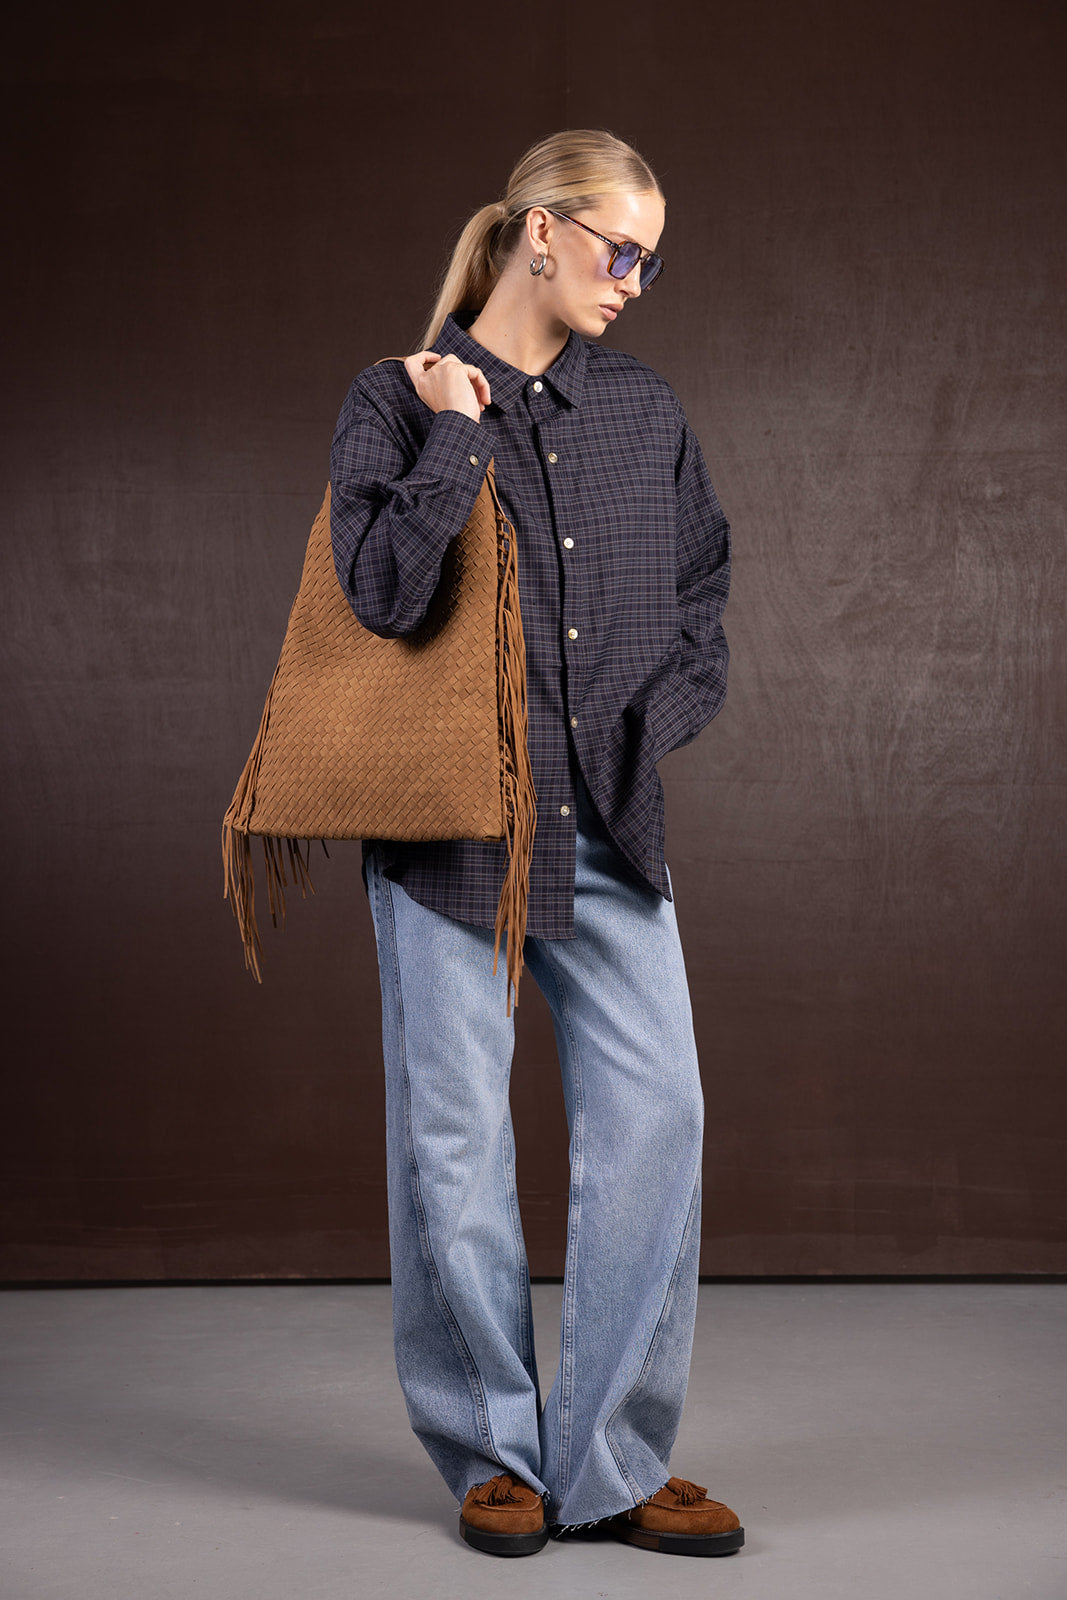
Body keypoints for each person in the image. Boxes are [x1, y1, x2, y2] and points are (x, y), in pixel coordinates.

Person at [329, 129, 742, 1559]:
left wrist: (644, 728)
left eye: (651, 261)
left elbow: (704, 598)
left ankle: (613, 1462)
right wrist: (456, 438)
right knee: (453, 1144)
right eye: (622, 250)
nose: (634, 280)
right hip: (448, 835)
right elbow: (381, 596)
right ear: (542, 232)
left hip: (608, 824)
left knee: (658, 1116)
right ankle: (492, 1455)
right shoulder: (395, 400)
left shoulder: (645, 409)